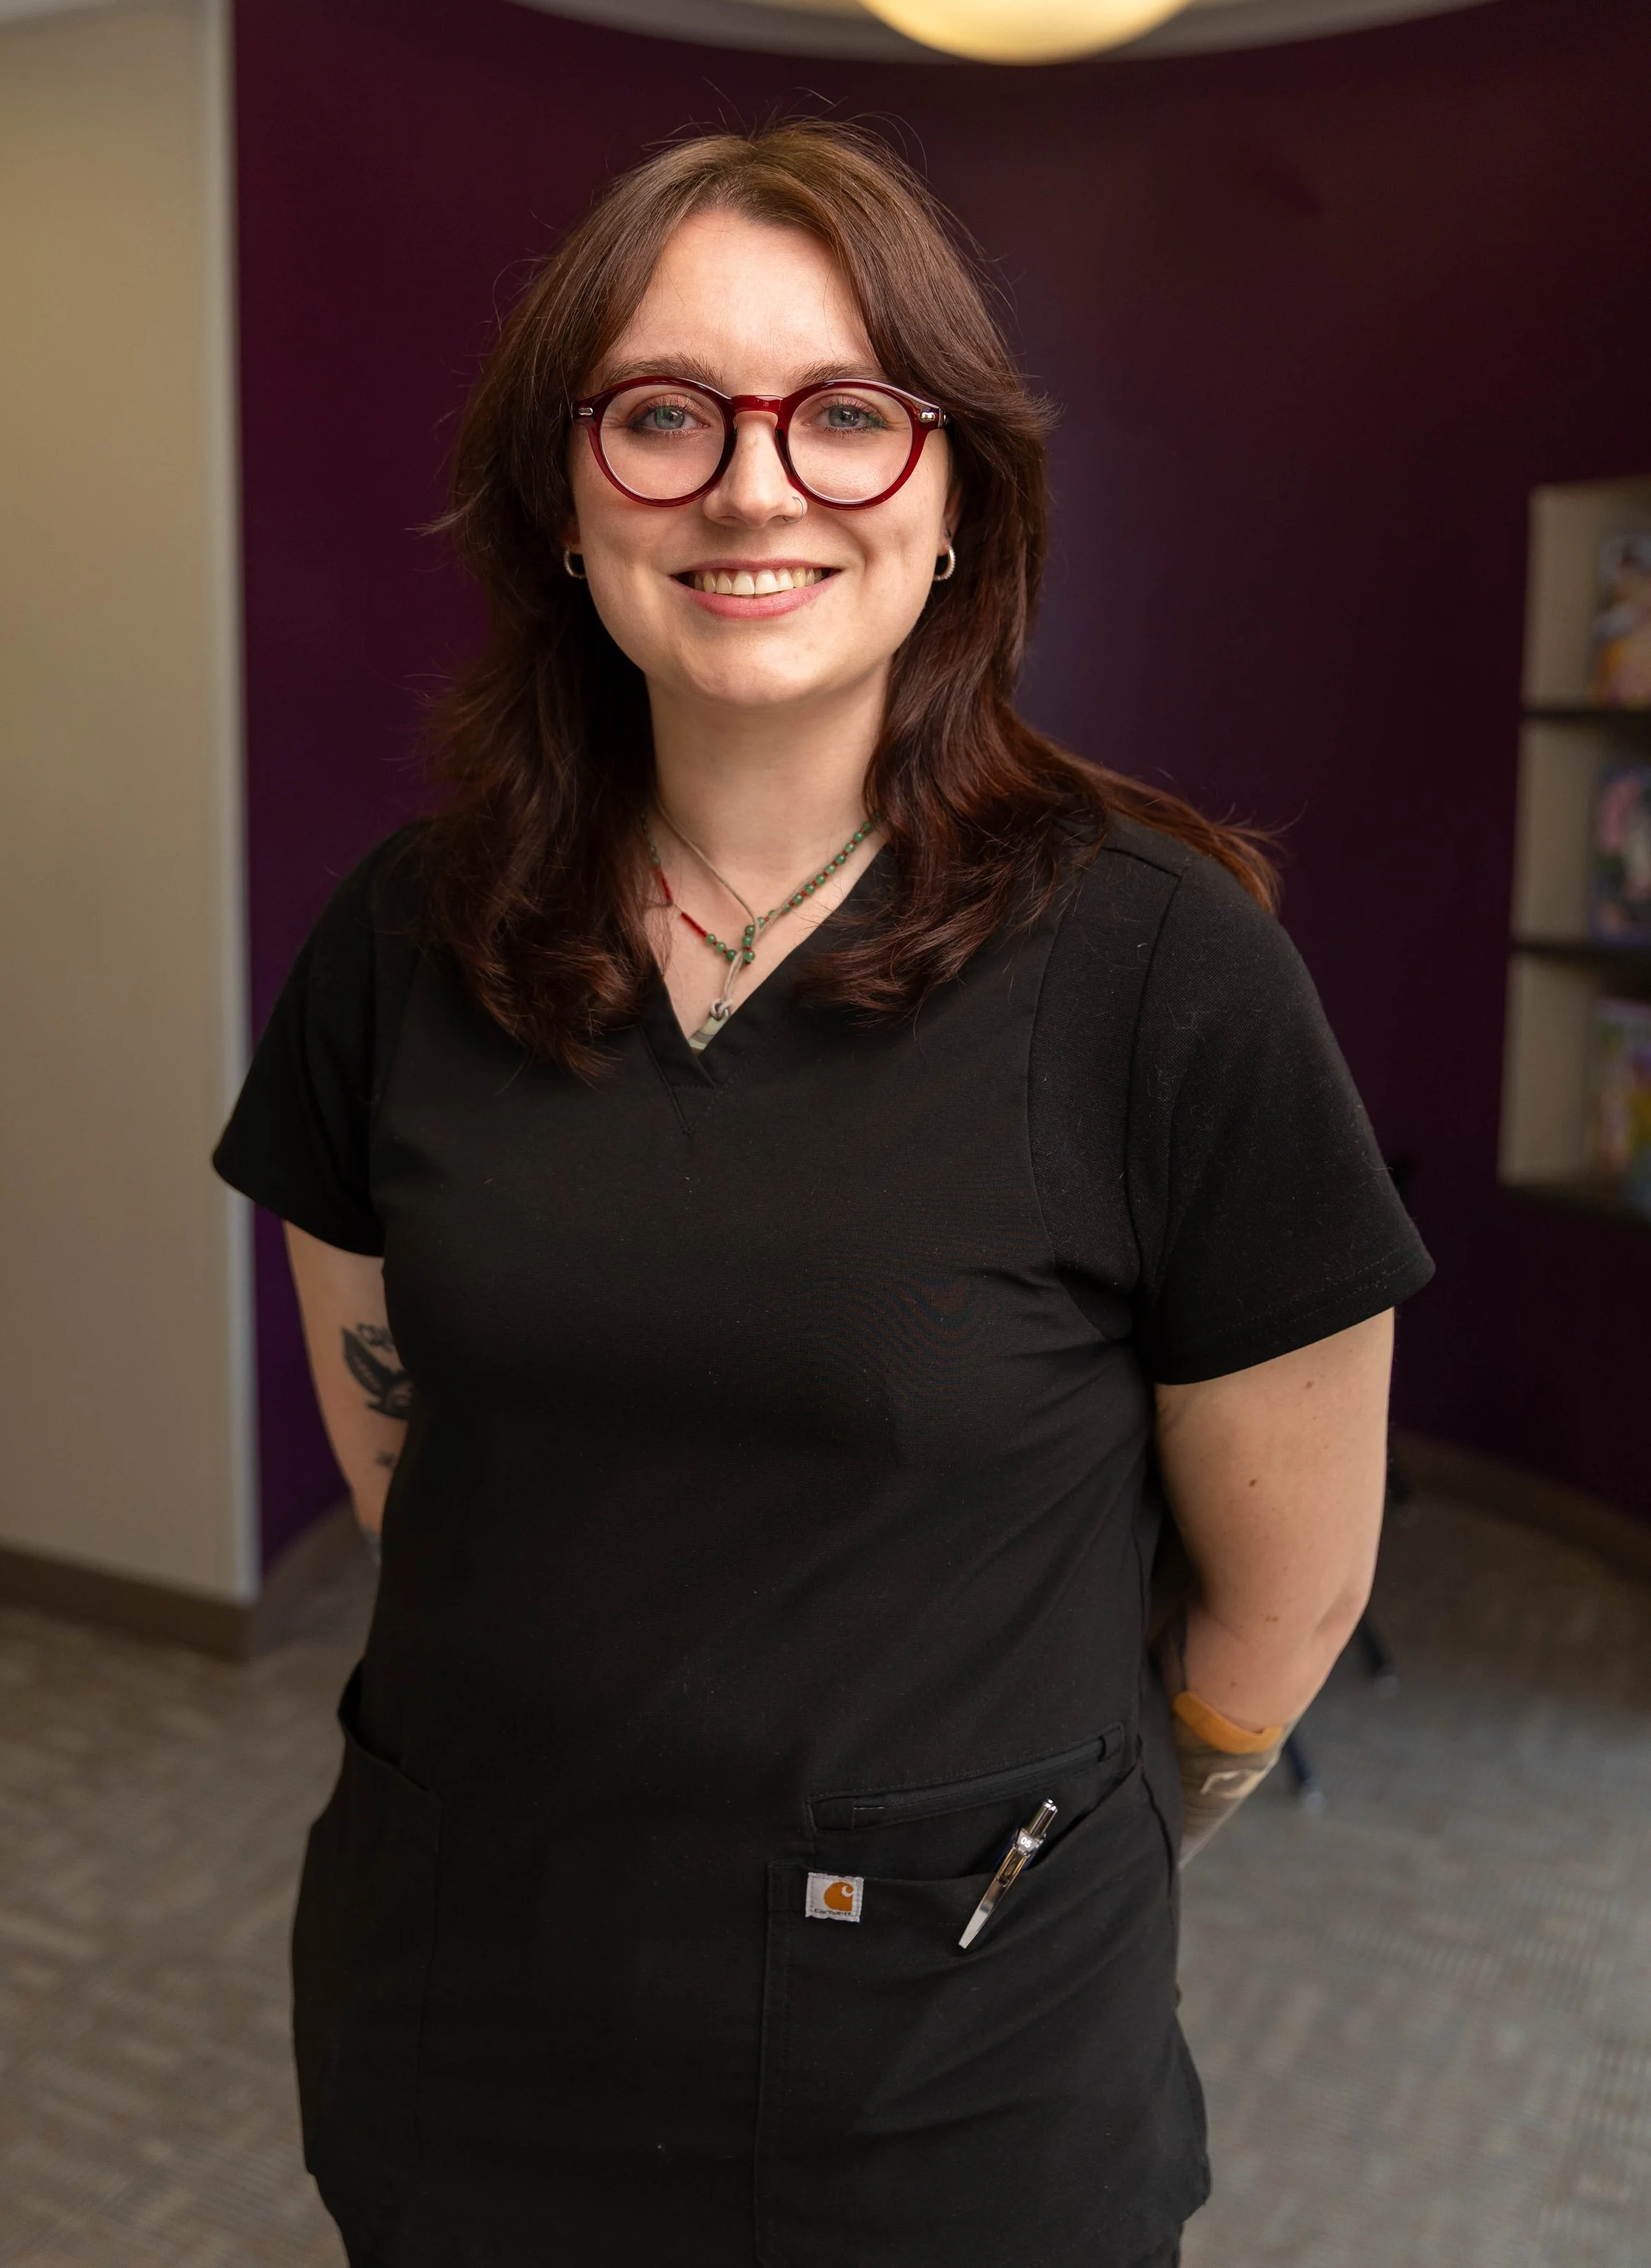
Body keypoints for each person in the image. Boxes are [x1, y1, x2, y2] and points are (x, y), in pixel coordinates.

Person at [214, 121, 1432, 2268]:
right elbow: (414, 1455)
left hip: (949, 2072)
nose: (754, 485)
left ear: (954, 496)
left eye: (847, 413)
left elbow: (1287, 1591)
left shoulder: (1163, 967)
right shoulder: (407, 934)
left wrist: (1048, 1825)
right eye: (664, 413)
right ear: (564, 498)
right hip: (465, 2008)